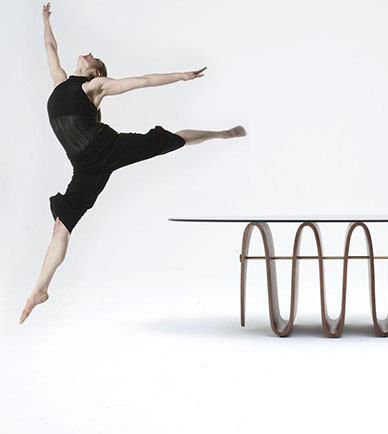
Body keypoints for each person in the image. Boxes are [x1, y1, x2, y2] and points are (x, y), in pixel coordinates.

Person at [19, 3, 247, 324]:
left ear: (96, 72)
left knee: (168, 140)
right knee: (61, 225)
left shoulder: (95, 87)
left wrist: (181, 76)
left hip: (107, 147)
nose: (89, 53)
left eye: (95, 58)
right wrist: (45, 20)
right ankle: (41, 289)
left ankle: (222, 133)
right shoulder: (60, 82)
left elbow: (143, 80)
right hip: (86, 166)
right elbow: (50, 48)